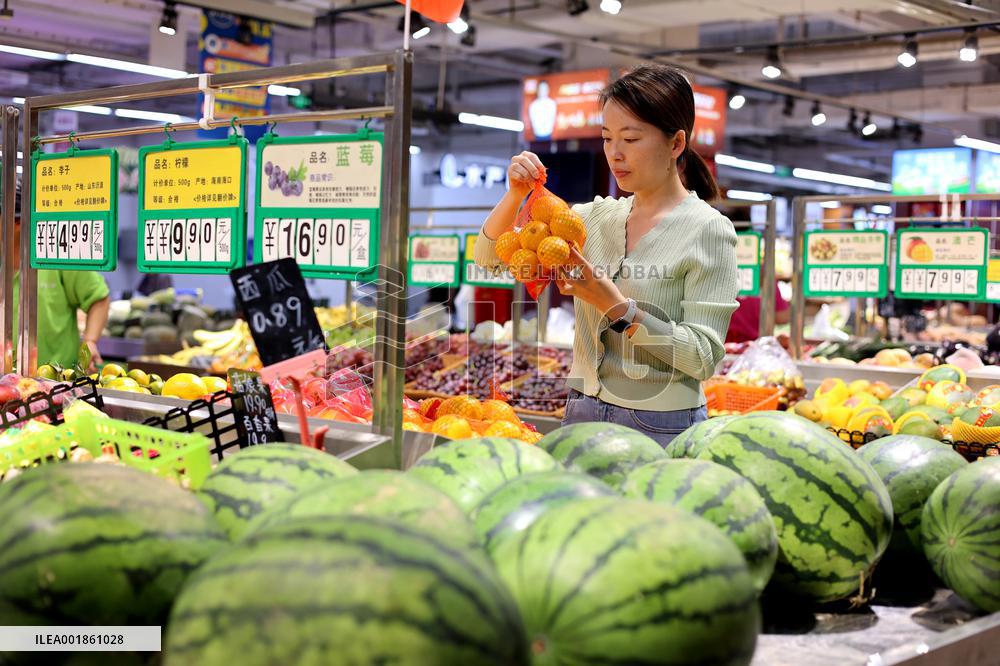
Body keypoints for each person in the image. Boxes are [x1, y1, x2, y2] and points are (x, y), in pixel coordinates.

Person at [475, 64, 739, 446]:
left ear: (676, 143)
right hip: (581, 410)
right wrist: (515, 194)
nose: (615, 153)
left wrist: (617, 308)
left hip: (661, 422)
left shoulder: (708, 229)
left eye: (631, 139)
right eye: (607, 137)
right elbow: (489, 257)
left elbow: (703, 356)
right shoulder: (592, 219)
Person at [8, 183, 110, 371]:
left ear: (16, 223)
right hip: (6, 384)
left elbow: (98, 298)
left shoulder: (55, 257)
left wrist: (90, 340)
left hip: (56, 384)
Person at [726, 280, 790, 343]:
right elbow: (781, 317)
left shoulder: (725, 276)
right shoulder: (766, 277)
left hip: (724, 342)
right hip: (758, 344)